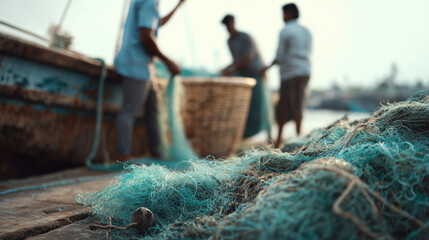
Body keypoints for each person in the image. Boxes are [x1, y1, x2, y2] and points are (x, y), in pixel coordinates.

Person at [114, 0, 185, 162]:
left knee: (154, 110)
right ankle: (122, 157)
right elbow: (146, 37)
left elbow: (157, 23)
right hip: (135, 65)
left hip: (145, 68)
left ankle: (157, 154)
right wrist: (168, 61)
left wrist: (178, 6)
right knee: (129, 112)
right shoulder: (149, 2)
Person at [261, 3, 312, 148]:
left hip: (291, 72)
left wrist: (267, 67)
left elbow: (280, 56)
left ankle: (293, 138)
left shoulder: (286, 31)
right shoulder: (306, 31)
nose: (282, 17)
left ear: (289, 14)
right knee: (295, 103)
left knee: (287, 105)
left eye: (283, 13)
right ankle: (289, 137)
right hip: (304, 71)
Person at [220, 14, 271, 139]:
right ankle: (246, 134)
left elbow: (247, 58)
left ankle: (269, 135)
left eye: (229, 25)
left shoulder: (246, 37)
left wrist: (231, 70)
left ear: (233, 23)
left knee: (261, 106)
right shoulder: (229, 41)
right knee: (247, 106)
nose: (228, 28)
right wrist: (227, 69)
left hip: (256, 73)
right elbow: (236, 60)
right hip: (243, 75)